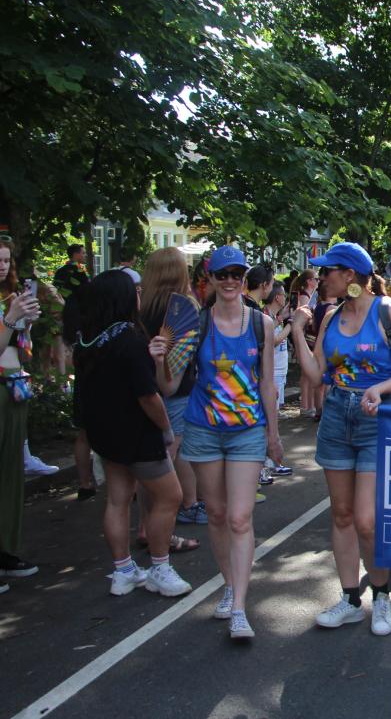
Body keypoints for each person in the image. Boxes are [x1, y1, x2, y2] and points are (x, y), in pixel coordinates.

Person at [152, 245, 282, 640]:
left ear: (245, 280)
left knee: (241, 518)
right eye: (222, 274)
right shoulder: (196, 325)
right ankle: (229, 586)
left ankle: (240, 607)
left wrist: (273, 436)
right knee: (219, 516)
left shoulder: (262, 325)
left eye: (237, 274)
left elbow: (267, 384)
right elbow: (170, 385)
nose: (230, 281)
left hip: (245, 431)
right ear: (209, 279)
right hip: (205, 431)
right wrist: (159, 358)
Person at [290, 242, 391, 637]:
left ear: (349, 276)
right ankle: (348, 599)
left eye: (328, 270)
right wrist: (296, 329)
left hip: (377, 419)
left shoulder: (388, 312)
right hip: (336, 418)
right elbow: (314, 374)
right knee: (341, 514)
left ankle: (380, 594)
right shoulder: (329, 318)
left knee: (366, 520)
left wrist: (380, 389)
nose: (322, 276)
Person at [76, 270, 193, 597]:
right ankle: (160, 566)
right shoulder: (129, 338)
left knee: (117, 499)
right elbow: (148, 395)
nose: (140, 296)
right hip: (137, 433)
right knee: (171, 496)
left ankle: (123, 570)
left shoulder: (87, 339)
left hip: (105, 433)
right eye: (136, 291)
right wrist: (165, 427)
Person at [0, 233, 41, 597]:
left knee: (8, 472)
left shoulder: (3, 300)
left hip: (13, 383)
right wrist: (11, 319)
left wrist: (25, 323)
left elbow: (21, 351)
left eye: (6, 260)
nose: (3, 267)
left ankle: (3, 550)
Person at [138, 247, 207, 537]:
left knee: (152, 456)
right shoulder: (184, 306)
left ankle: (146, 521)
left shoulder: (141, 306)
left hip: (146, 386)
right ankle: (186, 505)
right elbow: (190, 350)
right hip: (177, 387)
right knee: (176, 448)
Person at [263, 285, 293, 478]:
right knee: (268, 419)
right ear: (277, 297)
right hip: (271, 373)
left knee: (273, 417)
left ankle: (272, 462)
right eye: (284, 295)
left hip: (279, 371)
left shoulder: (275, 317)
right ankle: (266, 464)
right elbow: (272, 341)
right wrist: (292, 326)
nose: (286, 298)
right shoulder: (265, 316)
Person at [289, 268, 321, 418]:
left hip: (308, 336)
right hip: (306, 336)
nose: (317, 281)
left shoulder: (311, 295)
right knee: (306, 373)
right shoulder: (305, 297)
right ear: (309, 281)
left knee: (308, 373)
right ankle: (306, 406)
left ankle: (308, 405)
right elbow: (302, 318)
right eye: (315, 279)